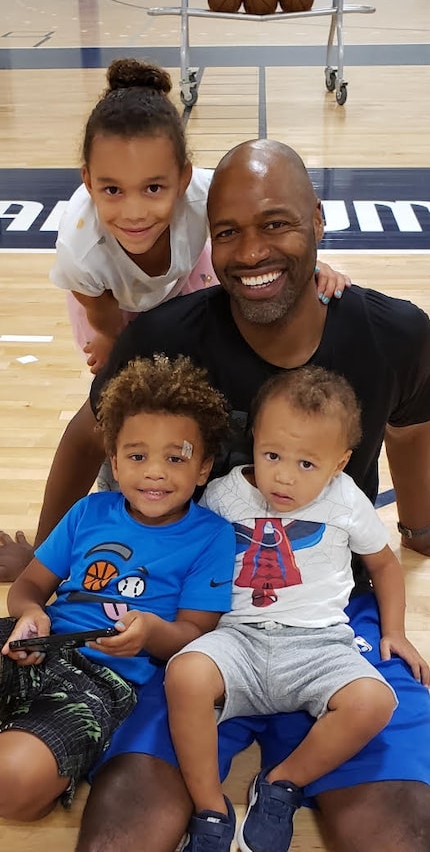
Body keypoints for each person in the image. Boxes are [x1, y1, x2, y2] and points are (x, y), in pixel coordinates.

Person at [1, 138, 430, 852]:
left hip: (330, 617)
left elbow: (413, 430)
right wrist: (51, 571)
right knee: (117, 832)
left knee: (400, 833)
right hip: (183, 615)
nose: (251, 250)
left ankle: (285, 778)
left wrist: (419, 526)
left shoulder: (394, 332)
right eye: (227, 232)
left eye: (276, 223)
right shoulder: (166, 335)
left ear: (319, 221)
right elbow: (88, 433)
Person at [165, 366, 429, 852]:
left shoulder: (346, 500)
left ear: (341, 462)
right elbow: (192, 558)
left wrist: (397, 631)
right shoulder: (224, 495)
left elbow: (386, 565)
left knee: (376, 701)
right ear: (255, 439)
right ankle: (209, 806)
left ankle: (282, 783)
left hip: (320, 642)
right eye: (272, 455)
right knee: (184, 677)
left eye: (307, 464)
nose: (284, 475)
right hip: (237, 637)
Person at [0, 355, 235, 823]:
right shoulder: (90, 511)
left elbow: (195, 634)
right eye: (136, 455)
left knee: (14, 784)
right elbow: (29, 586)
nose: (154, 472)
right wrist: (30, 614)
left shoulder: (213, 535)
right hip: (33, 644)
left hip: (107, 679)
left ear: (204, 467)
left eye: (175, 457)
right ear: (113, 460)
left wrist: (150, 631)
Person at [50, 56, 348, 374]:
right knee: (128, 381)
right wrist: (110, 339)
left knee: (200, 368)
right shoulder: (79, 248)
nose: (134, 213)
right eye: (112, 190)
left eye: (153, 188)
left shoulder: (205, 193)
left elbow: (263, 233)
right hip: (113, 307)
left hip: (185, 279)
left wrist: (313, 266)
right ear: (89, 182)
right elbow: (101, 311)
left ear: (183, 179)